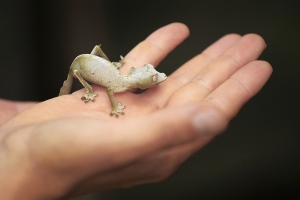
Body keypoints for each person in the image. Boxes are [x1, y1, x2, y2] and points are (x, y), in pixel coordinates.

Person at [0, 23, 272, 199]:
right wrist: (27, 165)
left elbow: (131, 73)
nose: (156, 78)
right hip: (83, 69)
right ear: (140, 81)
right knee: (81, 70)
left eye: (153, 76)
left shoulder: (128, 78)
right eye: (153, 78)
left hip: (95, 62)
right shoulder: (118, 86)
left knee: (94, 54)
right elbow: (109, 90)